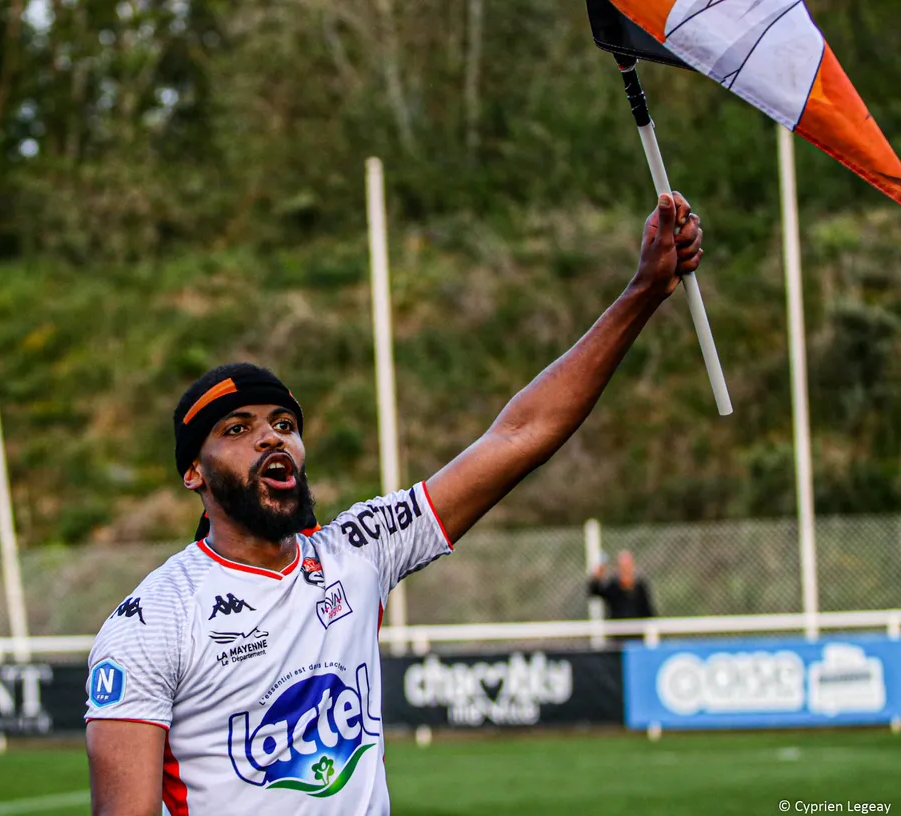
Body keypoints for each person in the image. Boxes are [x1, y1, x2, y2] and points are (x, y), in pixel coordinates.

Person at [84, 192, 703, 816]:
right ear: (194, 472)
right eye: (237, 429)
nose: (272, 436)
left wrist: (643, 292)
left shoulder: (359, 550)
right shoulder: (151, 623)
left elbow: (520, 436)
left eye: (283, 423)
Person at [588, 549, 656, 619]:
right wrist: (597, 576)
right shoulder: (613, 587)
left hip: (637, 627)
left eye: (627, 567)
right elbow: (594, 592)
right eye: (623, 568)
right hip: (617, 627)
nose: (626, 571)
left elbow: (648, 611)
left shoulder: (640, 586)